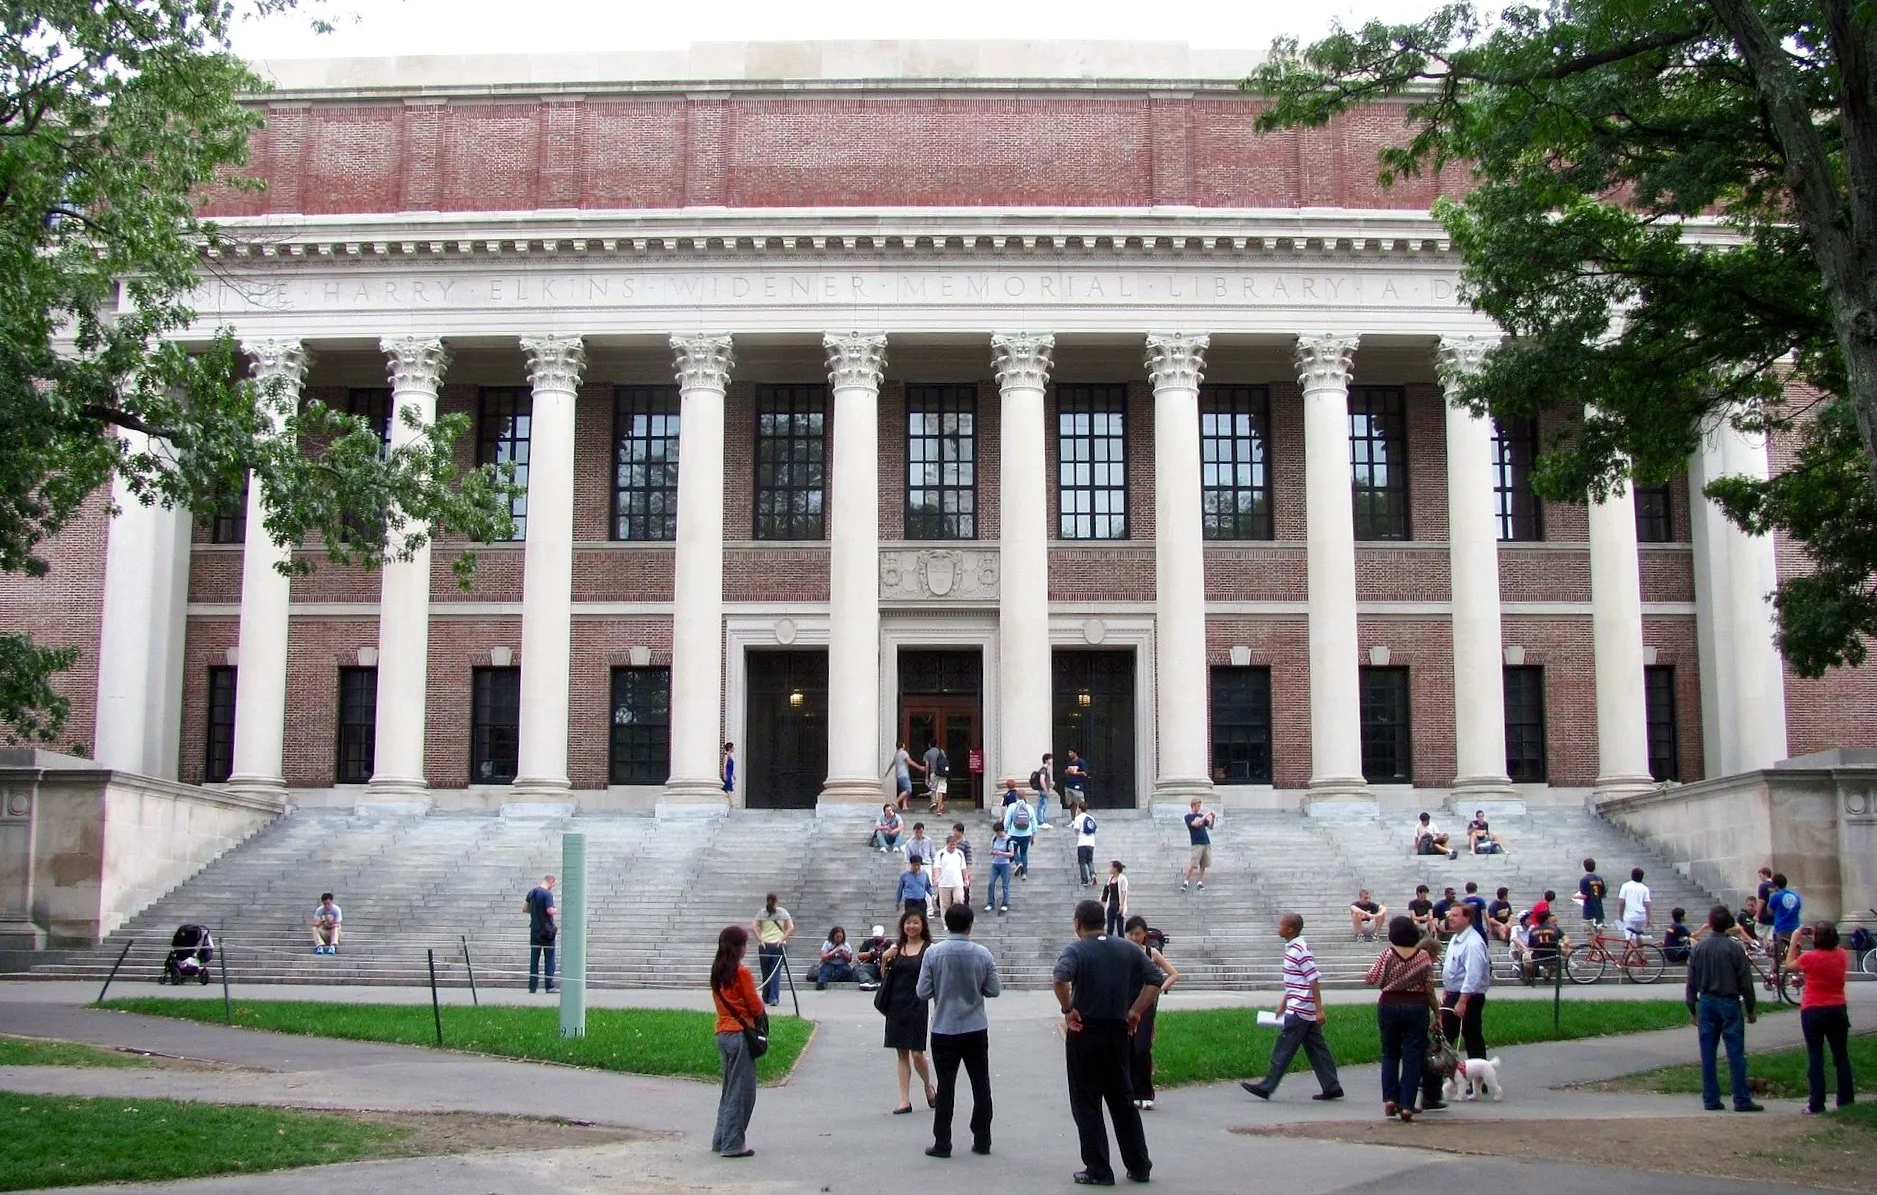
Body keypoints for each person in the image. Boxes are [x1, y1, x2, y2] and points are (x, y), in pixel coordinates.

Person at [1053, 899, 1162, 1186]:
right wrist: (1136, 1011)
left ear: (1077, 924)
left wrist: (1068, 1009)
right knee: (1122, 1099)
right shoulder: (1127, 948)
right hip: (1118, 1030)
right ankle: (1139, 1164)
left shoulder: (1075, 949)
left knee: (1086, 1101)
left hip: (1085, 1030)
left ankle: (1099, 1168)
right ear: (1103, 921)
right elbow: (1155, 978)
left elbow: (1060, 978)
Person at [917, 903, 1003, 1158]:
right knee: (981, 1084)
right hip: (975, 1026)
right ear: (970, 925)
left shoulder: (933, 953)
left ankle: (943, 1141)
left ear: (946, 923)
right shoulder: (982, 953)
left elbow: (922, 991)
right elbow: (994, 989)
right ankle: (983, 1137)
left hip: (944, 1027)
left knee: (946, 1085)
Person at [1241, 912, 1344, 1102]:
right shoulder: (1292, 948)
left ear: (1290, 929)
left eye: (1281, 925)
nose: (1278, 927)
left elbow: (1313, 979)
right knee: (1317, 1049)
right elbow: (1295, 982)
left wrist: (1319, 1009)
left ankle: (1267, 1086)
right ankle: (1332, 1085)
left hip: (1300, 1009)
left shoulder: (1300, 950)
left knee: (1283, 1048)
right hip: (1301, 1007)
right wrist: (1283, 1004)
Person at [1685, 905, 1763, 1112]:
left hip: (1707, 1002)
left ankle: (1710, 1098)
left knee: (1708, 1052)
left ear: (1710, 924)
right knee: (1736, 1052)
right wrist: (1751, 1007)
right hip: (1729, 1001)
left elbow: (1691, 981)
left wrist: (1692, 1007)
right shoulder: (1735, 948)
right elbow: (1745, 981)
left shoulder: (1699, 948)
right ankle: (1741, 1098)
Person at [1366, 915, 1441, 1121]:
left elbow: (1373, 978)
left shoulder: (1387, 954)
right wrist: (1437, 1013)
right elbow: (1429, 987)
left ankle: (1391, 1098)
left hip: (1389, 1004)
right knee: (1413, 1055)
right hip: (1417, 1007)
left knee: (1390, 1053)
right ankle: (1407, 1105)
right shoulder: (1424, 956)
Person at [1423, 901, 1490, 1112]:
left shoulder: (1473, 943)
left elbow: (1473, 974)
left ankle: (1478, 1079)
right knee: (1444, 1035)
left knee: (1470, 1035)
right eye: (1449, 915)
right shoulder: (1455, 939)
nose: (1450, 918)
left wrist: (1462, 1000)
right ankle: (1443, 1077)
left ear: (1467, 919)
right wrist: (1447, 991)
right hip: (1453, 992)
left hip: (1467, 994)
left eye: (1455, 915)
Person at [1787, 922, 1855, 1114]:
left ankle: (1816, 1102)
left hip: (1813, 1008)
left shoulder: (1809, 958)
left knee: (1815, 1056)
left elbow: (1789, 965)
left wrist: (1795, 939)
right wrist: (1818, 938)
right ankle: (1846, 1100)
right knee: (1841, 1055)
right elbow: (1829, 949)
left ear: (1816, 939)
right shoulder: (1842, 955)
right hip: (1837, 1007)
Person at [709, 925, 763, 1158]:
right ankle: (732, 1144)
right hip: (741, 1034)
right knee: (742, 1093)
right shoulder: (742, 973)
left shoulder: (717, 972)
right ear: (739, 947)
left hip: (723, 1032)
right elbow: (755, 1005)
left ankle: (720, 1139)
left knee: (729, 1090)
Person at [881, 908, 937, 1114]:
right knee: (901, 1053)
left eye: (915, 922)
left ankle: (928, 1086)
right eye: (908, 923)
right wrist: (885, 957)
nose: (911, 926)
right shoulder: (897, 948)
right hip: (896, 1004)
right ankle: (904, 1100)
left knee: (916, 1053)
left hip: (917, 1004)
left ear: (923, 926)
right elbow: (885, 976)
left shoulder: (929, 949)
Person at [1124, 916, 1179, 1110]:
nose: (1133, 937)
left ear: (1145, 935)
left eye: (1137, 934)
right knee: (1127, 1049)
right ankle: (1130, 1092)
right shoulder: (1122, 953)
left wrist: (1158, 989)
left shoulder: (1151, 952)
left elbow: (1173, 973)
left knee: (1141, 1049)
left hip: (1146, 1006)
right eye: (1130, 934)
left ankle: (1146, 1093)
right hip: (1125, 1005)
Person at [752, 894, 794, 1007]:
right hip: (778, 944)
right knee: (775, 972)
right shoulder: (782, 912)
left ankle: (766, 996)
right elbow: (791, 927)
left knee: (765, 971)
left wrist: (760, 939)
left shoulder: (761, 912)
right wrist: (783, 939)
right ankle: (774, 997)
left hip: (764, 944)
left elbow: (754, 927)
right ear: (777, 901)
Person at [522, 874, 557, 993]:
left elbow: (524, 909)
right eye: (553, 884)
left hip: (535, 929)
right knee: (549, 959)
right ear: (551, 882)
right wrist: (555, 910)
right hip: (547, 931)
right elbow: (550, 910)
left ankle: (532, 986)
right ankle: (549, 985)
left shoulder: (532, 892)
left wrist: (536, 912)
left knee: (534, 959)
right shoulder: (548, 894)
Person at [1182, 798, 1216, 890]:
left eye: (1200, 805)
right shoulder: (1188, 817)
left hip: (1205, 842)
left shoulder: (1201, 815)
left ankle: (1200, 882)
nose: (1199, 807)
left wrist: (1213, 818)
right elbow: (1195, 824)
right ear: (1193, 805)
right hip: (1196, 843)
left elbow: (1211, 827)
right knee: (1193, 863)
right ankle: (1186, 882)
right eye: (1198, 805)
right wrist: (1206, 815)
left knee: (1203, 864)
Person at [1524, 910, 1566, 984]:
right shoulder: (1556, 929)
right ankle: (1548, 974)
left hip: (1538, 957)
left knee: (1525, 957)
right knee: (1558, 957)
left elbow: (1530, 946)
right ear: (1547, 919)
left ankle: (1528, 978)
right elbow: (1565, 938)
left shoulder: (1532, 931)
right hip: (1553, 957)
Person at [1767, 873, 1803, 957]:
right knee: (1794, 953)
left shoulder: (1775, 896)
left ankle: (1776, 969)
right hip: (1795, 928)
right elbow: (1798, 907)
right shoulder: (1795, 895)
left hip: (1781, 928)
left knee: (1777, 954)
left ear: (1774, 884)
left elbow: (1770, 912)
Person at [1003, 787, 1037, 878]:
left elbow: (1006, 821)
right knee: (1024, 853)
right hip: (1026, 834)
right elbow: (1034, 821)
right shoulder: (1029, 807)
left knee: (1013, 851)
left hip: (1013, 833)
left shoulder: (1012, 806)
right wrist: (1033, 834)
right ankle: (1024, 873)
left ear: (1016, 796)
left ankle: (1018, 863)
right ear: (1025, 796)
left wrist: (1005, 831)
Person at [933, 836, 970, 914]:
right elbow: (937, 867)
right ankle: (946, 924)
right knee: (945, 905)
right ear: (947, 844)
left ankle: (957, 921)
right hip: (944, 883)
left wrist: (966, 879)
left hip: (957, 883)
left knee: (959, 901)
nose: (952, 846)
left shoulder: (960, 853)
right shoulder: (940, 853)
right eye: (951, 844)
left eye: (954, 844)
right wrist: (937, 879)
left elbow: (963, 868)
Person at [1618, 867, 1653, 940]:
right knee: (1638, 936)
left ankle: (1631, 951)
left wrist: (1621, 915)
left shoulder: (1625, 886)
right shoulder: (1644, 888)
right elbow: (1647, 904)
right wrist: (1649, 918)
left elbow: (1621, 902)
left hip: (1629, 916)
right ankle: (1641, 951)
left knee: (1629, 937)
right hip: (1641, 916)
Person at [985, 826, 1014, 913]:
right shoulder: (994, 838)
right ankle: (990, 903)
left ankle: (1005, 903)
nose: (997, 834)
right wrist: (992, 853)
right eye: (996, 832)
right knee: (991, 883)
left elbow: (1011, 854)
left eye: (999, 832)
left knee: (1005, 885)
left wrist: (1002, 853)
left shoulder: (1008, 840)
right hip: (995, 863)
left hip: (1005, 864)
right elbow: (992, 850)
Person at [889, 740, 924, 811]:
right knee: (908, 790)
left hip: (898, 775)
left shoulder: (896, 754)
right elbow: (910, 761)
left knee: (903, 790)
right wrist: (919, 767)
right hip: (904, 774)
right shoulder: (903, 753)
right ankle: (896, 801)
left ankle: (904, 806)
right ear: (903, 745)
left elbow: (892, 764)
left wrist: (887, 772)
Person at [1072, 801, 1100, 887]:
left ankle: (1084, 880)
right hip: (1091, 843)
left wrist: (1076, 831)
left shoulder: (1078, 818)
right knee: (1090, 860)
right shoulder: (1091, 818)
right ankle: (1093, 874)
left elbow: (1076, 830)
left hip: (1082, 843)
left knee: (1082, 862)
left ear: (1079, 808)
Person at [1576, 857, 1607, 932]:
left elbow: (1585, 896)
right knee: (1599, 931)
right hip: (1599, 909)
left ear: (1584, 867)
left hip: (1588, 910)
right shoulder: (1599, 879)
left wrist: (1576, 897)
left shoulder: (1584, 880)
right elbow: (1603, 894)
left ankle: (1592, 944)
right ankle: (1601, 944)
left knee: (1589, 932)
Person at [855, 924, 891, 989]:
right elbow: (860, 956)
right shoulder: (868, 942)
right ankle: (868, 982)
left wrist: (883, 955)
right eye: (876, 937)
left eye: (879, 937)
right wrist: (871, 954)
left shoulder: (888, 943)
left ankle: (885, 983)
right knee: (859, 968)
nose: (877, 938)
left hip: (885, 966)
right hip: (872, 966)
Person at [1101, 860, 1130, 936]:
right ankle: (1109, 944)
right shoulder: (1110, 878)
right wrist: (1102, 900)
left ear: (1115, 868)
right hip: (1111, 904)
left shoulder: (1122, 878)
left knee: (1120, 927)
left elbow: (1124, 892)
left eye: (1111, 867)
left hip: (1118, 904)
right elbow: (1107, 891)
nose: (1109, 868)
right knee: (1110, 927)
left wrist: (1121, 905)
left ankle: (1122, 945)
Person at [1030, 753, 1057, 830]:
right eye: (1050, 759)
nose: (1052, 760)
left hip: (1043, 790)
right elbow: (1042, 780)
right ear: (1046, 760)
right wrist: (1045, 790)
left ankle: (1041, 821)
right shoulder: (1043, 770)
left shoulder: (1045, 770)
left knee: (1042, 806)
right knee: (1041, 806)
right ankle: (1041, 822)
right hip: (1043, 791)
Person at [924, 739, 951, 815]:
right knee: (941, 790)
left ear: (929, 745)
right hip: (942, 773)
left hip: (934, 773)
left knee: (934, 789)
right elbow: (945, 761)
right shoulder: (941, 751)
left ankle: (934, 803)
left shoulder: (927, 753)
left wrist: (926, 777)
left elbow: (927, 766)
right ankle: (939, 808)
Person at [1061, 750, 1090, 820]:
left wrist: (1074, 772)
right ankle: (1073, 820)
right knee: (1071, 804)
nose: (1069, 754)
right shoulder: (1069, 763)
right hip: (1068, 785)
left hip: (1077, 784)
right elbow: (1066, 772)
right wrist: (1067, 772)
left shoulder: (1081, 762)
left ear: (1075, 753)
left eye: (1071, 752)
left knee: (1080, 803)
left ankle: (1082, 819)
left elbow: (1085, 773)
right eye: (1068, 752)